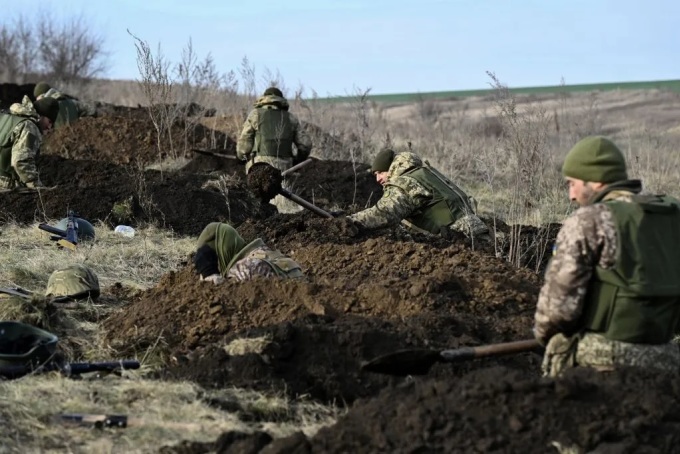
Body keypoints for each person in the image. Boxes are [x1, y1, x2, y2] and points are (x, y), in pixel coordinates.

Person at [534, 136, 680, 377]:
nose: (571, 195)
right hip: (668, 357)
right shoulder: (672, 215)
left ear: (596, 181)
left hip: (604, 359)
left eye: (572, 183)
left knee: (558, 348)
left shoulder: (590, 220)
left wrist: (545, 336)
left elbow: (558, 310)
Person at [345, 148, 489, 238]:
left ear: (391, 168)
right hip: (476, 230)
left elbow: (385, 213)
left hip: (459, 239)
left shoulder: (406, 182)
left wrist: (350, 222)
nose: (378, 179)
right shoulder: (423, 173)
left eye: (380, 173)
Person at [236, 87, 312, 213]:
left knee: (256, 197)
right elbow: (306, 144)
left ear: (264, 99)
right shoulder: (290, 118)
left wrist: (241, 156)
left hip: (259, 166)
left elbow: (244, 142)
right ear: (281, 100)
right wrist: (298, 159)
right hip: (284, 165)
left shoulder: (255, 114)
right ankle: (284, 210)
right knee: (282, 194)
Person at [193, 222, 304, 283]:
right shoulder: (264, 253)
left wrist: (210, 275)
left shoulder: (242, 269)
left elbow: (223, 304)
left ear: (222, 251)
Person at [0, 95, 58, 189]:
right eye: (50, 121)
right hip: (6, 185)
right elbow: (21, 161)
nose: (50, 127)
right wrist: (36, 186)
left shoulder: (8, 117)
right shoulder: (29, 126)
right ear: (41, 116)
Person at [33, 81, 97, 128]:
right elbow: (91, 109)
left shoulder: (48, 108)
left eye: (38, 99)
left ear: (43, 96)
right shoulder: (71, 102)